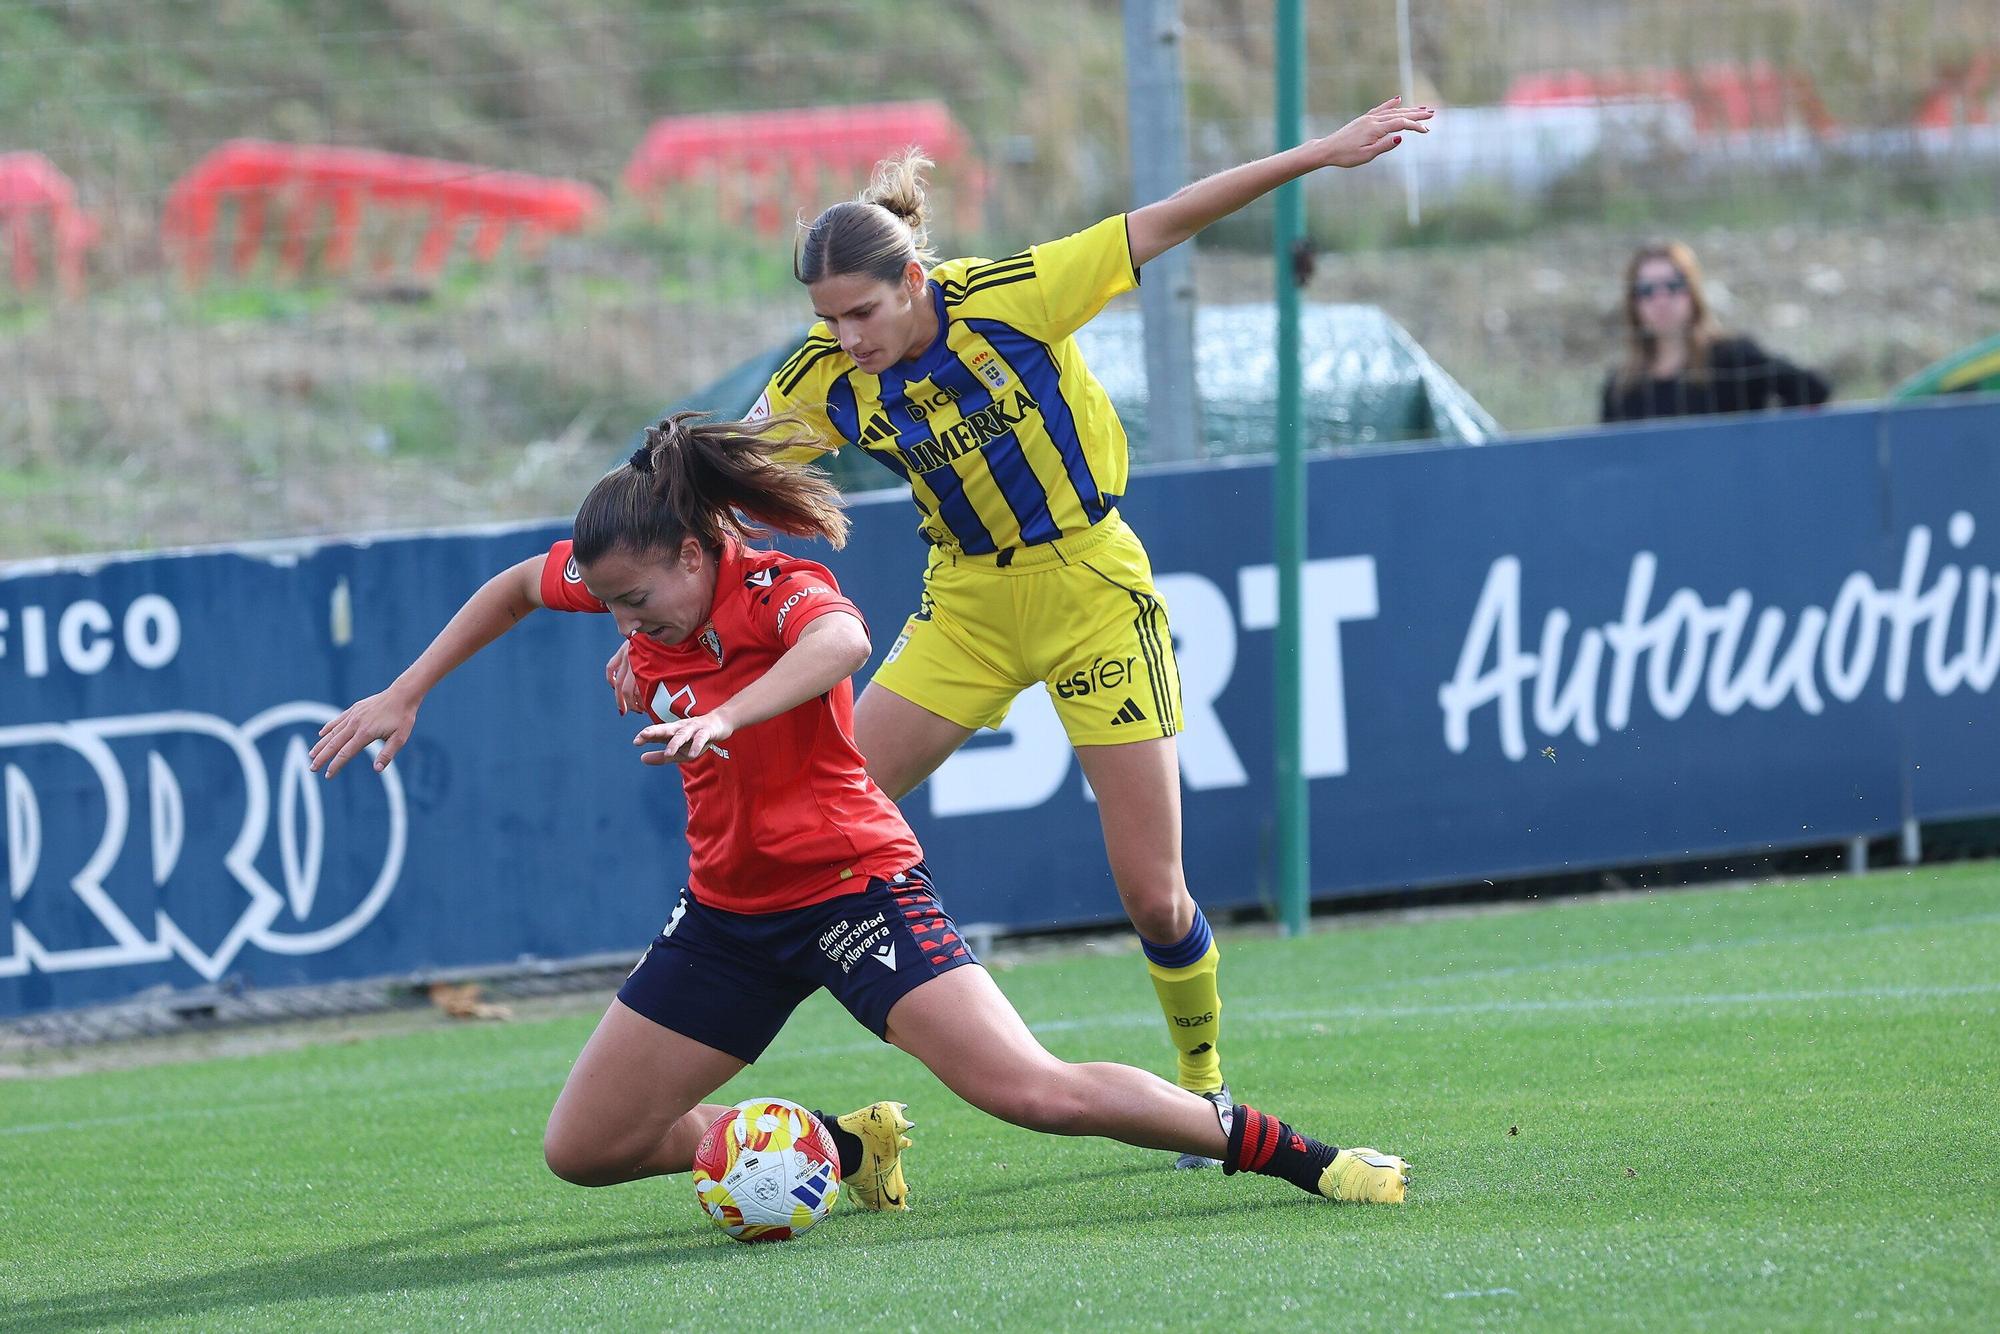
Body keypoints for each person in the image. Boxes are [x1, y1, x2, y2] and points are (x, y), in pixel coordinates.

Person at [310, 413, 1412, 1215]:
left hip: (856, 890)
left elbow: (838, 645)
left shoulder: (773, 586)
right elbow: (512, 586)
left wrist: (728, 713)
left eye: (634, 599)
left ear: (695, 554)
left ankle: (1296, 1154)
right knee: (586, 1147)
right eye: (605, 601)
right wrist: (406, 689)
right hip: (729, 915)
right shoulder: (632, 577)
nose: (618, 615)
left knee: (1030, 1091)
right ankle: (837, 1143)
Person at [607, 98, 1435, 1164]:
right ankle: (796, 1052)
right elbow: (691, 512)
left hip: (1091, 588)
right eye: (827, 319)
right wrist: (645, 641)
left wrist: (1320, 152)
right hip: (966, 610)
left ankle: (1202, 1090)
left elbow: (1168, 216)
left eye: (860, 313)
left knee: (1152, 889)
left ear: (912, 281)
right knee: (817, 812)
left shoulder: (1009, 297)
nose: (845, 339)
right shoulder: (822, 375)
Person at [1601, 240, 1831, 423]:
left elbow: (1814, 389)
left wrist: (1765, 442)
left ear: (1693, 292)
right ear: (1633, 302)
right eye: (1647, 290)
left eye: (1673, 286)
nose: (1661, 300)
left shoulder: (1733, 358)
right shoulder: (1621, 387)